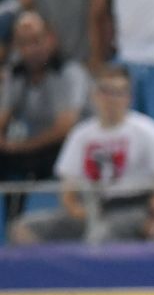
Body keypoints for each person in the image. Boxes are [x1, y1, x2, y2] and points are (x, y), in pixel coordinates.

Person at [8, 65, 154, 244]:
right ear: (94, 95)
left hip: (136, 206)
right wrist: (76, 210)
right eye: (106, 91)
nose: (111, 99)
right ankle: (49, 272)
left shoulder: (147, 131)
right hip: (93, 205)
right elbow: (68, 187)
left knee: (101, 235)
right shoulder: (81, 134)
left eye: (119, 92)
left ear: (128, 98)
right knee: (23, 229)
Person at [0, 11, 89, 181]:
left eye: (36, 41)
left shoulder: (69, 72)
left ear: (50, 39)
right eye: (23, 43)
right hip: (34, 147)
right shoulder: (15, 73)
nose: (31, 49)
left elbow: (64, 128)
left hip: (71, 146)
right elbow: (3, 117)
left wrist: (19, 147)